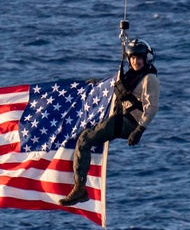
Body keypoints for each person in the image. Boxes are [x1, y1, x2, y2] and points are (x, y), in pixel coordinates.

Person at [59, 40, 159, 205]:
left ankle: (79, 189)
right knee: (84, 131)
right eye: (132, 58)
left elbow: (152, 107)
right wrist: (97, 85)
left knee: (84, 140)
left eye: (139, 58)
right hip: (120, 116)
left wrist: (139, 130)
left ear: (146, 58)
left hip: (129, 122)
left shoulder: (150, 80)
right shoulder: (131, 75)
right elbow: (117, 87)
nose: (135, 61)